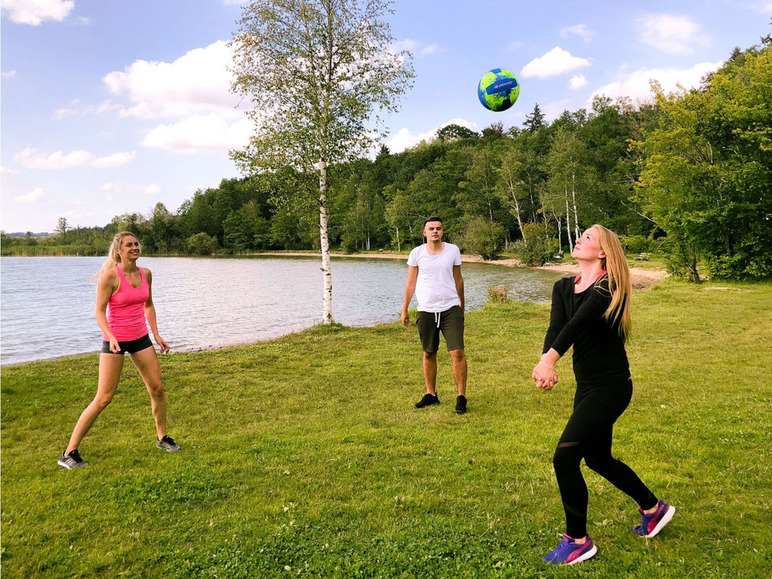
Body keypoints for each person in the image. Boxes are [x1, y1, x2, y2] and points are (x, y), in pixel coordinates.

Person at [533, 224, 675, 565]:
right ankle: (654, 509)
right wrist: (545, 362)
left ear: (602, 253)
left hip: (612, 386)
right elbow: (557, 327)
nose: (579, 239)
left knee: (565, 457)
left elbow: (577, 324)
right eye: (579, 235)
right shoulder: (563, 286)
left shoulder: (608, 285)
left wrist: (550, 361)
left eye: (587, 238)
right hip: (587, 385)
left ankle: (578, 541)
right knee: (596, 458)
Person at [58, 232, 180, 469]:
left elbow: (148, 304)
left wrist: (156, 334)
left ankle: (162, 437)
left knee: (157, 388)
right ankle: (69, 452)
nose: (134, 247)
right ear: (118, 250)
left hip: (140, 338)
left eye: (136, 244)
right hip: (115, 341)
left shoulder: (146, 274)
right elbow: (99, 312)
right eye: (129, 245)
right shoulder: (110, 277)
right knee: (104, 397)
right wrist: (112, 337)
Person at [401, 217, 468, 414]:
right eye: (431, 229)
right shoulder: (416, 254)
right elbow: (410, 283)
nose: (435, 231)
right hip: (426, 309)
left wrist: (462, 303)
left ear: (442, 231)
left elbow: (458, 279)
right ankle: (431, 395)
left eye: (438, 228)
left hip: (450, 308)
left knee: (457, 352)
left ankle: (461, 397)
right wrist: (405, 308)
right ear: (425, 233)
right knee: (429, 352)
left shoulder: (453, 251)